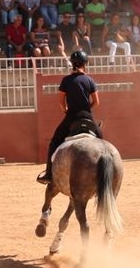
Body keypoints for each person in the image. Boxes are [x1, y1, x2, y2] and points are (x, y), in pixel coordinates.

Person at [37, 50, 100, 184]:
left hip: (71, 116)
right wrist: (87, 108)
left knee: (54, 141)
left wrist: (66, 110)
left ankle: (48, 173)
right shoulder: (90, 80)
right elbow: (96, 101)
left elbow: (61, 101)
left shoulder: (66, 80)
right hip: (87, 116)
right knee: (101, 140)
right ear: (85, 64)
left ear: (72, 64)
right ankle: (103, 170)